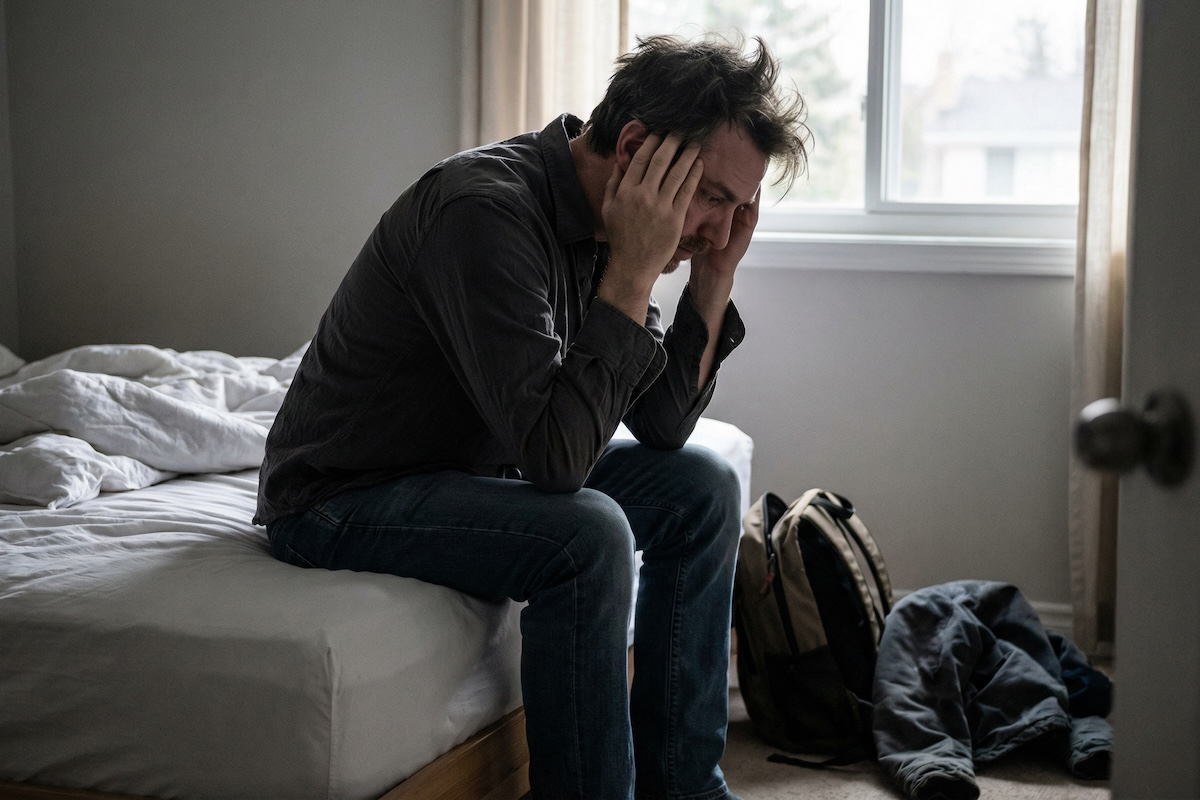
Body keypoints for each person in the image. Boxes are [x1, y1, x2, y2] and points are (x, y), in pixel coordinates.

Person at [255, 33, 808, 800]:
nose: (719, 225)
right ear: (637, 149)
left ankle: (685, 788)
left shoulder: (613, 226)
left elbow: (663, 427)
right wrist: (636, 271)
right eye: (713, 197)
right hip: (341, 495)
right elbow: (558, 465)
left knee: (703, 485)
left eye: (737, 208)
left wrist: (712, 280)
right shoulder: (483, 211)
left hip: (479, 462)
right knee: (589, 535)